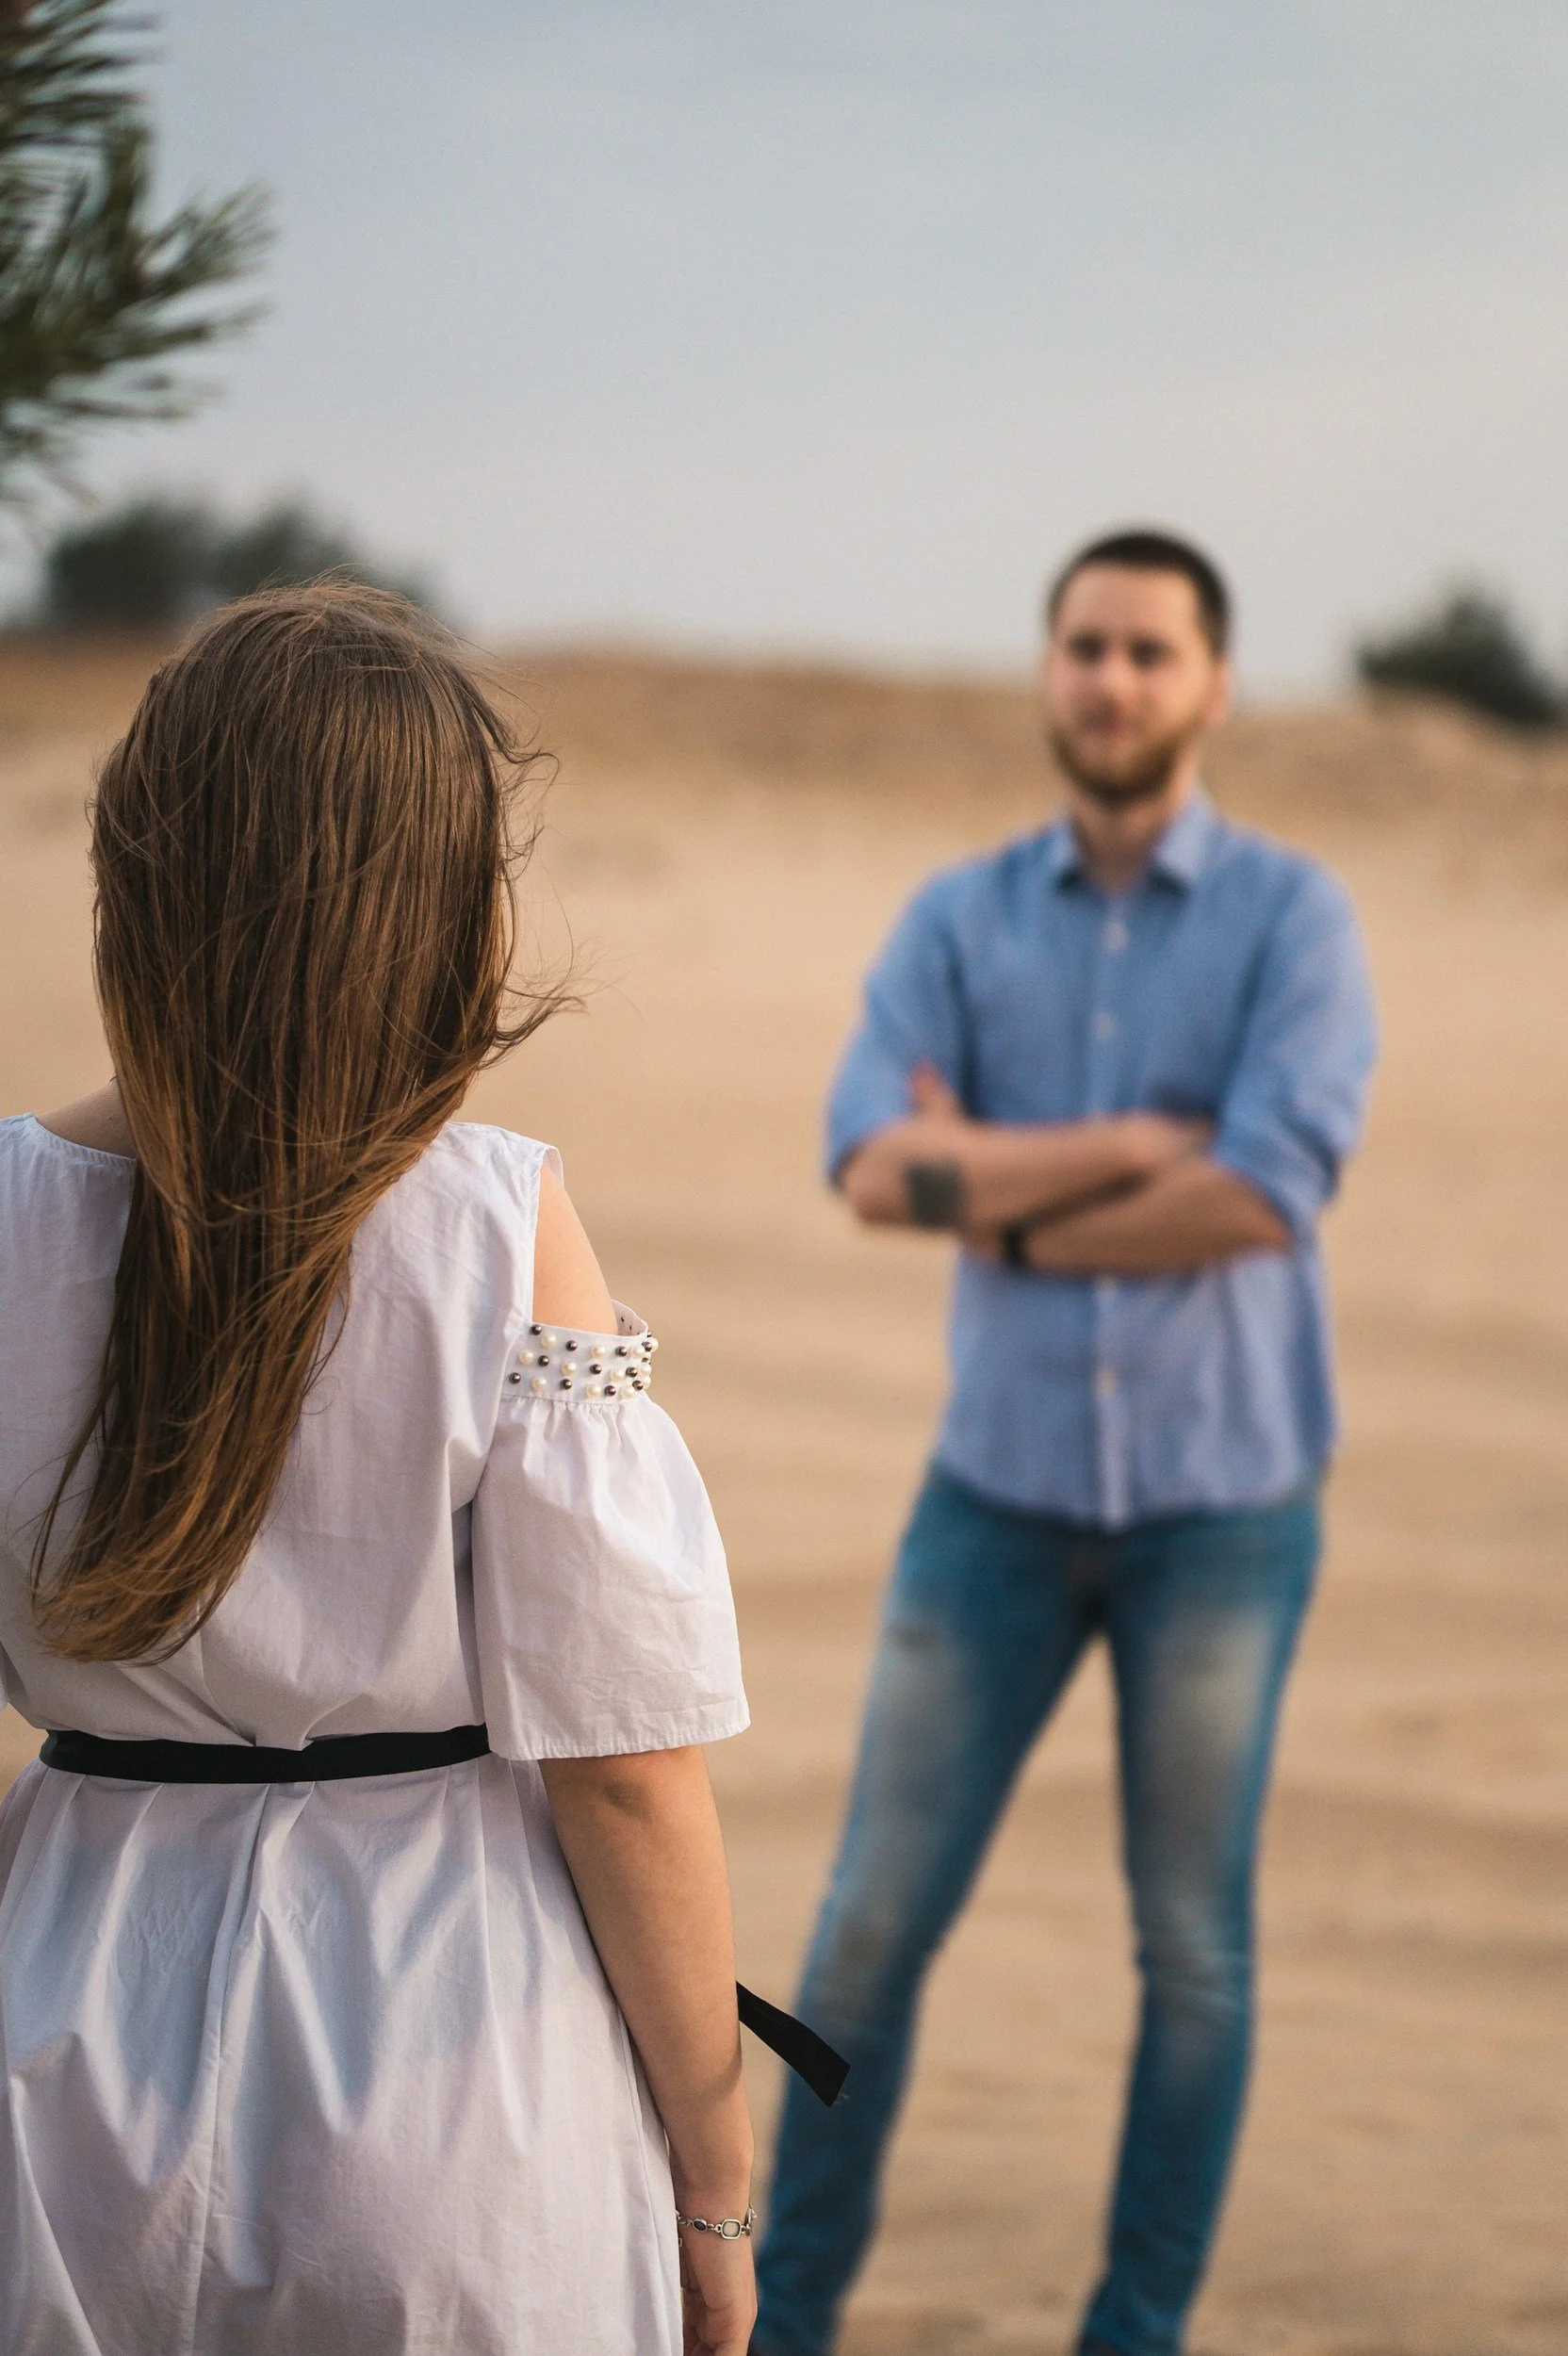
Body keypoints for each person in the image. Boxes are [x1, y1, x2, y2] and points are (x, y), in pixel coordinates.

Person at [0, 587, 758, 2356]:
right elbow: (630, 1777)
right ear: (438, 912)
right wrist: (714, 2183)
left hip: (54, 2053)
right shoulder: (504, 1224)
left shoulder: (6, 1217)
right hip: (452, 2074)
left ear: (137, 883)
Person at [754, 531, 1378, 2356]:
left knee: (1192, 1951)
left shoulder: (1295, 916)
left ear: (1212, 683)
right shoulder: (955, 917)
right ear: (1047, 669)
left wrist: (994, 1191)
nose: (1110, 680)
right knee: (864, 1929)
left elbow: (1264, 1194)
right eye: (1083, 646)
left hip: (1224, 1511)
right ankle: (775, 2319)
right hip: (994, 1503)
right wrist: (1126, 1143)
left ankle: (1136, 2327)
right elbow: (868, 1163)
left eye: (1148, 651)